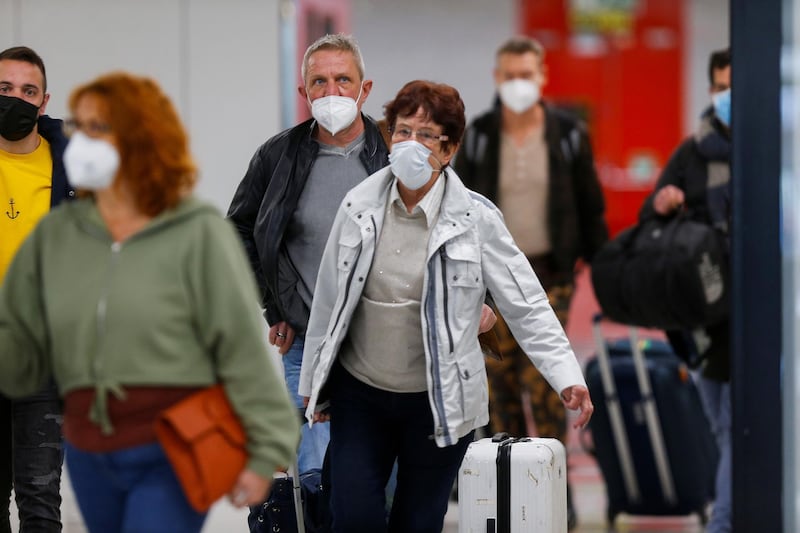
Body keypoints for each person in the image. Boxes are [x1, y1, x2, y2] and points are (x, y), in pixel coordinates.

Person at [0, 72, 300, 533]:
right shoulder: (60, 234)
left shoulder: (195, 229)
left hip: (171, 440)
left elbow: (236, 342)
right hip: (91, 446)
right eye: (82, 127)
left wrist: (268, 444)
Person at [298, 79, 594, 533]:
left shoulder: (477, 219)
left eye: (425, 134)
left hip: (440, 402)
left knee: (418, 522)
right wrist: (314, 382)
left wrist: (566, 374)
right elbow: (330, 300)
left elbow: (527, 303)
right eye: (401, 131)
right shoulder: (358, 206)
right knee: (353, 518)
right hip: (362, 395)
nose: (410, 145)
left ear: (450, 148)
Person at [454, 35, 608, 528]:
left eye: (526, 74)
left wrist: (599, 268)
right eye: (509, 75)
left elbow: (591, 205)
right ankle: (503, 494)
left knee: (543, 385)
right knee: (498, 388)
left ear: (541, 77)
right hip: (490, 283)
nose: (517, 84)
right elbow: (459, 206)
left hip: (550, 277)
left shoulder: (567, 134)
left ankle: (550, 497)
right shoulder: (478, 135)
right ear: (496, 79)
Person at [227, 33, 389, 477]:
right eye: (319, 82)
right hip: (306, 340)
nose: (331, 92)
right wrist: (273, 307)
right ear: (303, 92)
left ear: (365, 88)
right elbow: (239, 230)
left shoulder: (395, 155)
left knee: (383, 476)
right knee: (316, 478)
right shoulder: (277, 157)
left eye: (343, 79)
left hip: (388, 344)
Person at [639, 48, 732, 533]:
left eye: (733, 85)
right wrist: (663, 204)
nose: (726, 95)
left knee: (737, 426)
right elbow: (648, 222)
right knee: (722, 425)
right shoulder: (692, 153)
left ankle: (724, 521)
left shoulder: (774, 149)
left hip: (755, 312)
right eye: (719, 86)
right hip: (703, 314)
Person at [0, 45, 73, 533]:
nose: (17, 101)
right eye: (5, 90)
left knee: (40, 500)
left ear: (44, 102)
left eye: (28, 92)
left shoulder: (73, 169)